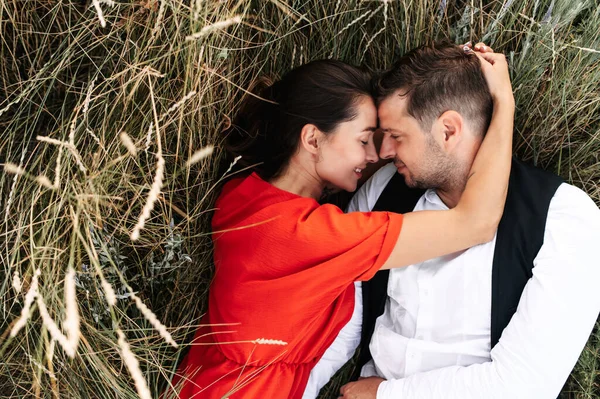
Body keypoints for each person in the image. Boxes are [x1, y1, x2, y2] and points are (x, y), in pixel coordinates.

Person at [165, 45, 514, 399]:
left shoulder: (241, 197)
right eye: (365, 140)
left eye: (384, 139)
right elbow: (476, 223)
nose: (376, 154)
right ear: (313, 139)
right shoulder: (316, 236)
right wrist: (503, 104)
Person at [338, 42, 600, 399]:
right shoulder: (385, 191)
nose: (382, 154)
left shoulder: (565, 217)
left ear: (448, 131)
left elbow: (526, 386)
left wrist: (384, 394)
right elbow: (342, 310)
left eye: (396, 137)